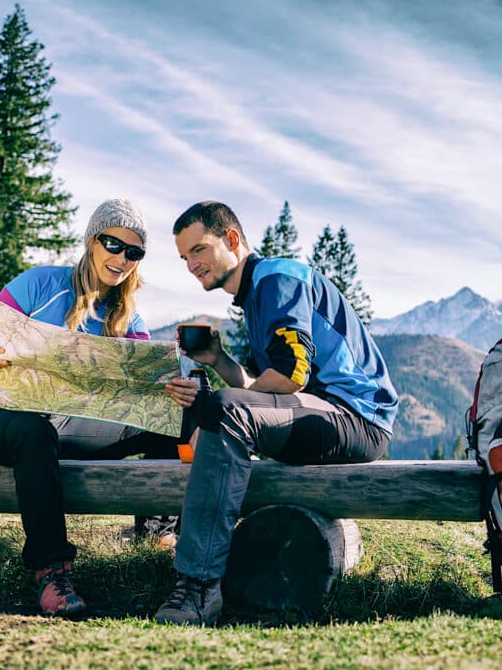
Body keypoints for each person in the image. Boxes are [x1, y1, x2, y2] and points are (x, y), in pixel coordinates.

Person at [154, 201, 398, 626]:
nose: (191, 264)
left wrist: (219, 411)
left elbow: (290, 375)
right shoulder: (257, 292)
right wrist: (219, 360)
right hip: (322, 414)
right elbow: (264, 392)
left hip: (357, 418)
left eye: (199, 249)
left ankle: (196, 588)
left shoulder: (277, 281)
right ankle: (198, 571)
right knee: (218, 406)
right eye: (184, 257)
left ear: (232, 239)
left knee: (221, 408)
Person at [0, 199, 180, 618]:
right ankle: (52, 571)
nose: (122, 258)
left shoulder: (129, 317)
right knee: (34, 431)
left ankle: (159, 539)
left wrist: (170, 385)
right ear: (92, 241)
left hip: (67, 427)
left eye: (134, 252)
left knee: (171, 420)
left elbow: (147, 392)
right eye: (113, 244)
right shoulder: (36, 285)